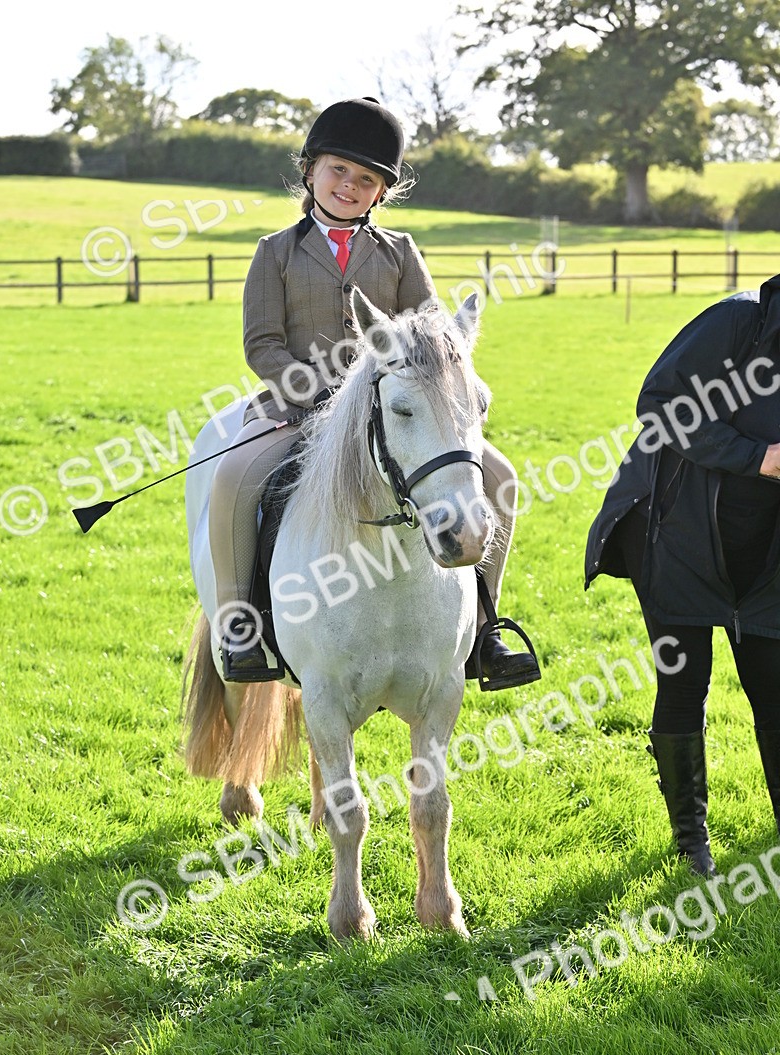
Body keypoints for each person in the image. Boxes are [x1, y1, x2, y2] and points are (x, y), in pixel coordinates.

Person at [208, 96, 538, 690]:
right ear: (310, 171)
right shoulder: (274, 252)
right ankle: (241, 625)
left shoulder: (400, 252)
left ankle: (484, 629)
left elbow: (434, 334)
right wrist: (321, 393)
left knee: (501, 479)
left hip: (394, 408)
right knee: (234, 476)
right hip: (298, 406)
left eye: (367, 180)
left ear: (381, 193)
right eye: (339, 171)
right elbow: (262, 344)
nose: (350, 186)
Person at [585, 274, 780, 875]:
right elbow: (663, 405)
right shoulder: (737, 323)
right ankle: (691, 842)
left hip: (766, 551)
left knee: (774, 690)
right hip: (674, 536)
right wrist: (760, 458)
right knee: (684, 684)